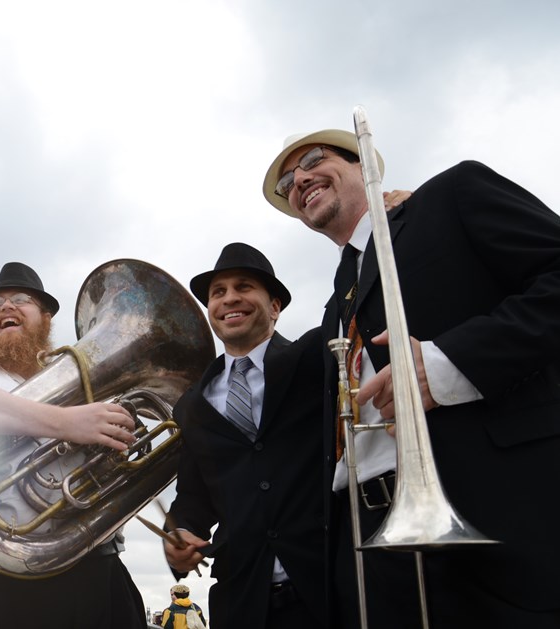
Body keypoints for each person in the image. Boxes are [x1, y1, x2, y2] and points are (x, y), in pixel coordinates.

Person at [262, 128, 560, 628]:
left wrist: (447, 366)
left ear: (362, 165)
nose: (301, 180)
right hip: (369, 546)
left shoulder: (451, 196)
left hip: (495, 523)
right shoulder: (336, 301)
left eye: (314, 159)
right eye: (288, 182)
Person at [0, 261, 147, 629]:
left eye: (21, 300)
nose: (6, 307)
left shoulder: (84, 378)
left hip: (90, 570)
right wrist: (68, 423)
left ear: (46, 318)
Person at [163, 243, 326, 629]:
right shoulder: (190, 406)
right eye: (217, 292)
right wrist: (178, 535)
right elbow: (193, 497)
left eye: (244, 286)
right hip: (241, 601)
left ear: (275, 306)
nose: (229, 298)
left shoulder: (315, 361)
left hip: (327, 588)